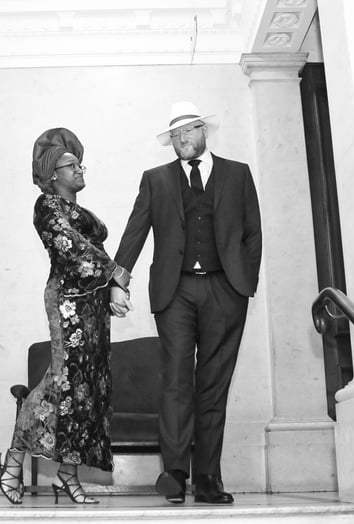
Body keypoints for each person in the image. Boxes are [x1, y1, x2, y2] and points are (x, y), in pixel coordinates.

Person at [110, 101, 262, 505]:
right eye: (175, 135)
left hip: (225, 290)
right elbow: (135, 230)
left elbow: (252, 232)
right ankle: (175, 474)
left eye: (188, 131)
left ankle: (208, 478)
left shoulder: (237, 174)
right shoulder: (156, 179)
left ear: (203, 131)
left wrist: (244, 282)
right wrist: (118, 281)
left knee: (214, 383)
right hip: (174, 291)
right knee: (176, 380)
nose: (181, 139)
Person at [0, 127, 132, 505]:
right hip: (68, 301)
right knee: (62, 380)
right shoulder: (47, 206)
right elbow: (70, 247)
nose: (80, 169)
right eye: (72, 165)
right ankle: (13, 460)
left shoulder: (82, 213)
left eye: (81, 164)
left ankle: (67, 476)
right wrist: (115, 272)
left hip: (93, 305)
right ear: (52, 174)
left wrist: (113, 290)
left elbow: (93, 249)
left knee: (89, 388)